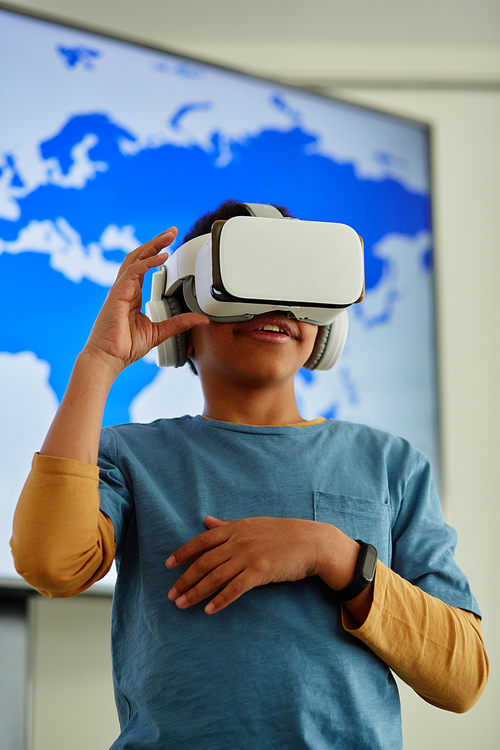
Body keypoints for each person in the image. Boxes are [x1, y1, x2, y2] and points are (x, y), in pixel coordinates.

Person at [11, 201, 488, 749]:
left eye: (297, 280)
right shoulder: (129, 455)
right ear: (179, 309)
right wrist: (99, 361)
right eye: (246, 280)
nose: (278, 303)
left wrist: (330, 552)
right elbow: (49, 563)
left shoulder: (391, 465)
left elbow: (463, 676)